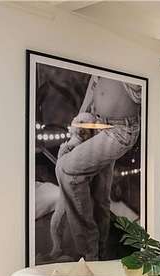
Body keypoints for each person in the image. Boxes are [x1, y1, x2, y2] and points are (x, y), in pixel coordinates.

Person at [53, 75, 142, 260]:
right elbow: (93, 88)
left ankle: (89, 252)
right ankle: (99, 254)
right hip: (95, 124)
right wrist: (77, 128)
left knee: (67, 170)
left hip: (120, 130)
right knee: (100, 197)